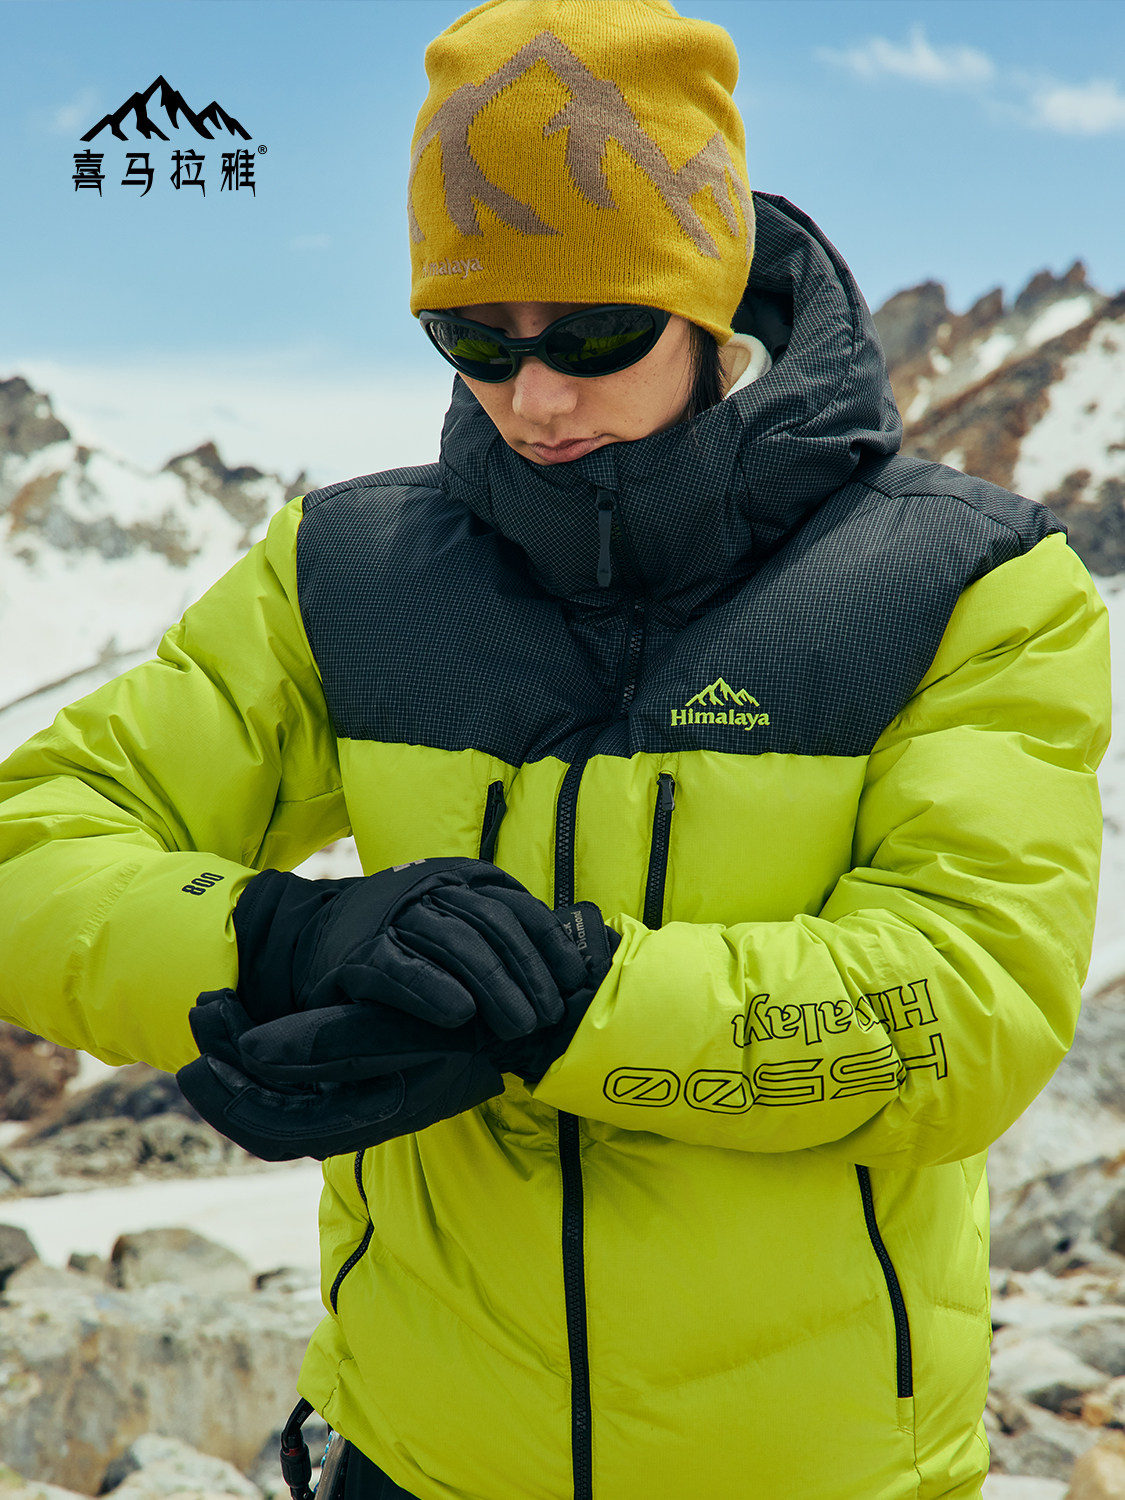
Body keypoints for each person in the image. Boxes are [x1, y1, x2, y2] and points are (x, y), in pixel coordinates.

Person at [0, 2, 1111, 1497]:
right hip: (415, 1456)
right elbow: (31, 847)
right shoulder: (346, 575)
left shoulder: (965, 585)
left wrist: (572, 1003)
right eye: (472, 336)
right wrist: (282, 941)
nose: (533, 397)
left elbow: (965, 1011)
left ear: (707, 296)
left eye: (593, 331)